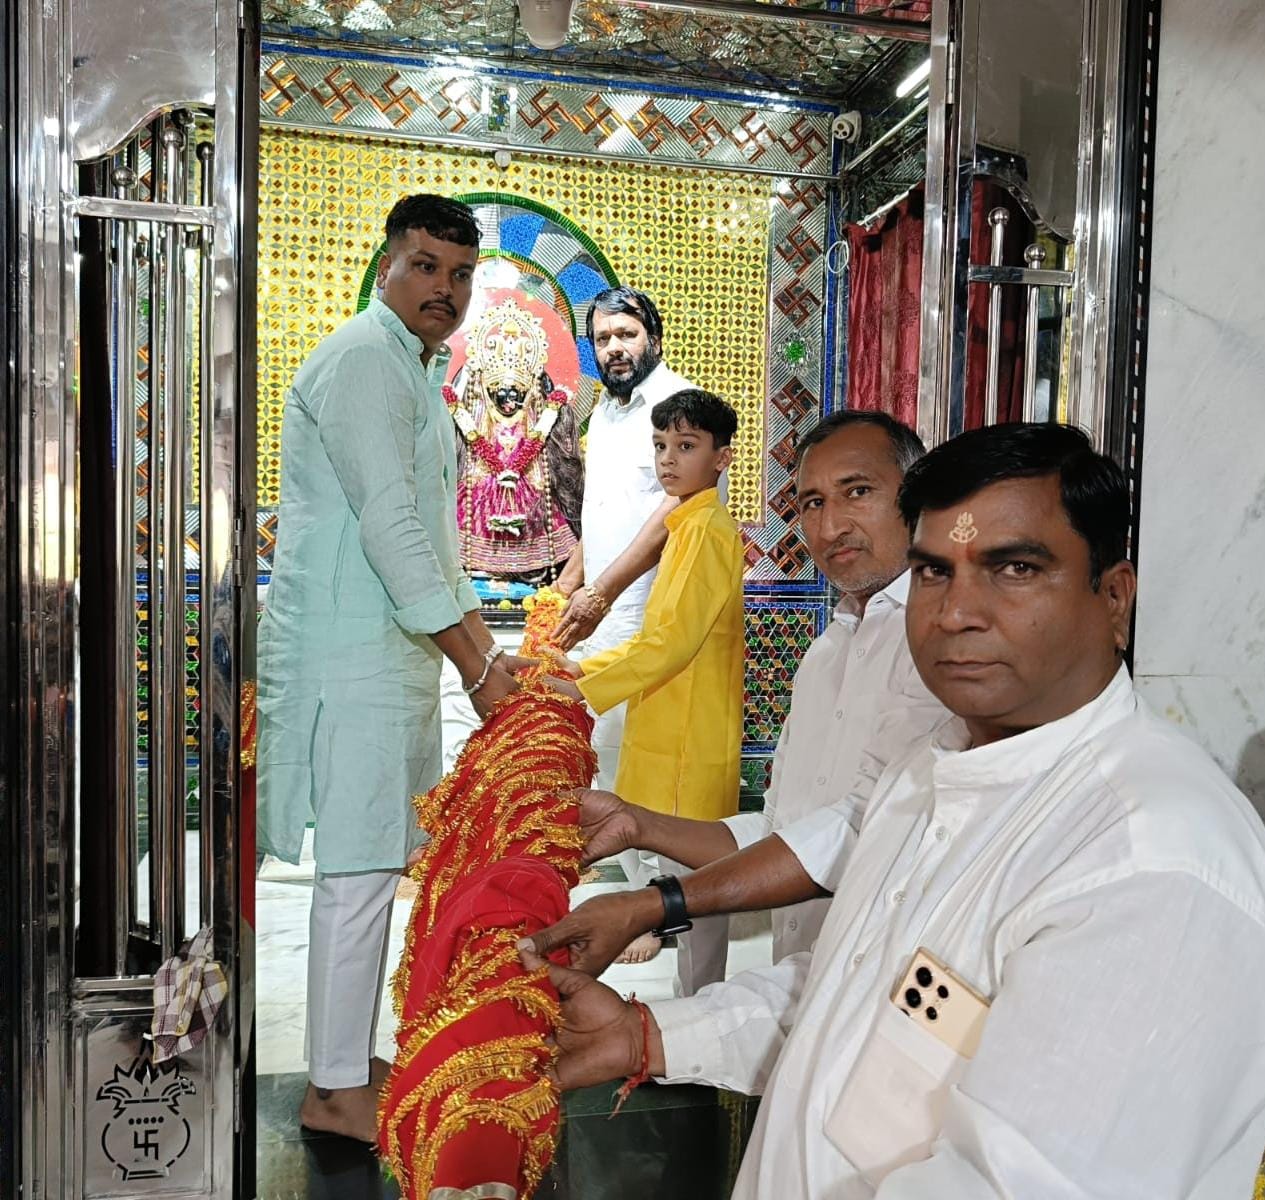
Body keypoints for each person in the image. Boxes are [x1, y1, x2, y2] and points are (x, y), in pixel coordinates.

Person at [523, 422, 1265, 1197]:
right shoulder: (929, 766)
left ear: (1112, 598)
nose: (956, 613)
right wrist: (645, 1034)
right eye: (934, 572)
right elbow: (858, 985)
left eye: (1014, 568)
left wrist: (657, 903)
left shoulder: (1149, 865)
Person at [256, 194, 524, 1143]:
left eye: (459, 274)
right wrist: (476, 667)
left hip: (385, 657)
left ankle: (342, 1060)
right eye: (425, 266)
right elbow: (390, 526)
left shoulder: (413, 367)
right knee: (359, 872)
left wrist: (480, 652)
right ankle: (333, 1089)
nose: (443, 288)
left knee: (373, 864)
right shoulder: (366, 360)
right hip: (352, 661)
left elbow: (436, 542)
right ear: (386, 269)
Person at [576, 410, 947, 968]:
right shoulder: (826, 654)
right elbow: (778, 830)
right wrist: (636, 825)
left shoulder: (943, 649)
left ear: (918, 500)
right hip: (796, 978)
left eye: (858, 492)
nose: (831, 526)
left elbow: (857, 832)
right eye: (813, 502)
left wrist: (657, 904)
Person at [550, 389, 744, 991]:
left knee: (700, 879)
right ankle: (695, 998)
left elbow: (672, 643)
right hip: (671, 721)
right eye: (661, 446)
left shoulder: (706, 530)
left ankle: (703, 1001)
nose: (668, 459)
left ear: (722, 458)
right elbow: (661, 637)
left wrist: (585, 686)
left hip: (690, 734)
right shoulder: (687, 525)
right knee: (685, 874)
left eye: (686, 446)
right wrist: (581, 671)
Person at [550, 286, 697, 958]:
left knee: (656, 765)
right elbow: (603, 510)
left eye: (626, 335)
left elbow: (675, 509)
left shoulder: (681, 405)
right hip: (604, 615)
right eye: (603, 338)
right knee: (608, 760)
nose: (614, 348)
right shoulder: (604, 414)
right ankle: (638, 900)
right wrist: (572, 579)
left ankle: (664, 908)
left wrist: (604, 590)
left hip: (654, 616)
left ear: (653, 338)